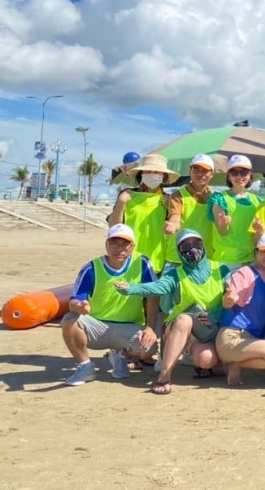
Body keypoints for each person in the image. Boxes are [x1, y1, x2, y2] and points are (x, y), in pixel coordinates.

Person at [115, 230, 231, 395]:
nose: (192, 249)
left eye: (196, 243)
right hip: (178, 326)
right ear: (179, 251)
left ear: (203, 245)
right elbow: (157, 287)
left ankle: (200, 361)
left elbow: (232, 298)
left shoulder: (221, 269)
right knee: (184, 320)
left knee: (206, 359)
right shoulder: (175, 275)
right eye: (185, 246)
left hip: (208, 328)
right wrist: (131, 288)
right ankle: (164, 377)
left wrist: (215, 315)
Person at [61, 224, 158, 386]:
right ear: (106, 245)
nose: (119, 249)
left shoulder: (141, 263)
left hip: (129, 326)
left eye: (125, 244)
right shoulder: (91, 268)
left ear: (132, 246)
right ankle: (85, 366)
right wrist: (79, 306)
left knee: (150, 349)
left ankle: (122, 356)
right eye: (114, 243)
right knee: (69, 320)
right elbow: (74, 300)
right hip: (97, 326)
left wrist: (150, 327)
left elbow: (153, 295)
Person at [215, 233, 265, 386]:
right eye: (264, 251)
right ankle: (235, 362)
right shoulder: (245, 273)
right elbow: (228, 301)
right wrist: (229, 299)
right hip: (233, 336)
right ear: (256, 252)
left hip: (253, 340)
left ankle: (237, 363)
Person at [108, 153, 176, 273]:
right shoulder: (127, 195)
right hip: (128, 260)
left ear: (164, 176)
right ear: (141, 173)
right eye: (148, 171)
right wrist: (121, 202)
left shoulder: (168, 200)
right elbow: (114, 226)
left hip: (157, 261)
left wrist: (170, 210)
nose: (153, 174)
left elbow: (174, 228)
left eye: (157, 172)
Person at [207, 154, 262, 269]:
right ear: (229, 176)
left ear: (250, 175)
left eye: (244, 172)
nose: (239, 176)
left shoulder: (258, 201)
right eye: (234, 172)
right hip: (227, 262)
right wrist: (223, 224)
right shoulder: (219, 199)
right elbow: (222, 232)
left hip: (251, 260)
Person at [164, 154, 217, 264]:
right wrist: (173, 224)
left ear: (212, 174)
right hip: (178, 258)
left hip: (205, 259)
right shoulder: (178, 195)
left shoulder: (216, 197)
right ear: (190, 172)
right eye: (196, 169)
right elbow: (175, 216)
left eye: (205, 171)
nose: (200, 174)